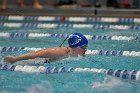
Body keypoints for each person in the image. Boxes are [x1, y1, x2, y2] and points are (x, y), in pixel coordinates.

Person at [4, 33, 88, 63]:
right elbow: (36, 54)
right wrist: (15, 59)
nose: (86, 49)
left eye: (86, 46)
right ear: (74, 46)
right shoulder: (58, 52)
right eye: (83, 46)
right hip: (35, 63)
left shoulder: (79, 54)